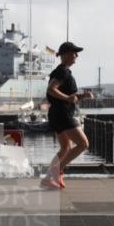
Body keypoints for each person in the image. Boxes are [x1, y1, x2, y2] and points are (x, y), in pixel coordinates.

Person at [42, 41, 93, 189]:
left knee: (65, 148)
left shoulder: (63, 71)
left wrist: (82, 96)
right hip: (63, 114)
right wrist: (67, 98)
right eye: (74, 53)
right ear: (65, 55)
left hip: (57, 114)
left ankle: (49, 178)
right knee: (83, 144)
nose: (76, 56)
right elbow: (51, 90)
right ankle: (56, 172)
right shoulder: (63, 71)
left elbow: (69, 95)